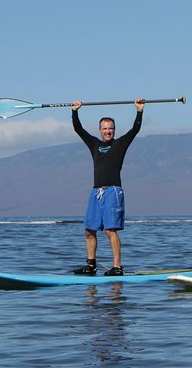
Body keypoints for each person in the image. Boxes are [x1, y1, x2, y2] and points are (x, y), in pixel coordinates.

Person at [71, 98, 145, 276]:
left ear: (114, 130)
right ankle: (91, 266)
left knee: (110, 230)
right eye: (104, 129)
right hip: (96, 192)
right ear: (100, 130)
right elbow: (78, 129)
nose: (108, 131)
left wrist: (139, 111)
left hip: (113, 191)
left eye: (110, 128)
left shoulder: (119, 145)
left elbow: (135, 129)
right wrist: (74, 111)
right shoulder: (95, 144)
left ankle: (117, 267)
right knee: (89, 230)